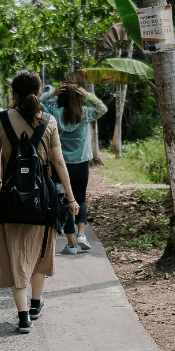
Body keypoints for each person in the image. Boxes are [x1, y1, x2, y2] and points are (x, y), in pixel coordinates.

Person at [0, 70, 79, 334]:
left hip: (11, 197)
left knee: (16, 254)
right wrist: (71, 199)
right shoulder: (49, 121)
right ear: (39, 93)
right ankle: (36, 304)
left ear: (13, 93)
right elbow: (60, 162)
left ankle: (23, 316)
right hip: (44, 198)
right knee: (41, 251)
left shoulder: (2, 120)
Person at [40, 81, 108, 255]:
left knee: (66, 200)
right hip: (81, 165)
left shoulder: (54, 113)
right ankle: (82, 235)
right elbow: (102, 108)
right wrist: (87, 96)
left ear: (61, 97)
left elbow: (39, 103)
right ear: (78, 97)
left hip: (60, 165)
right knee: (81, 198)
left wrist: (51, 94)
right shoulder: (84, 113)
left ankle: (70, 245)